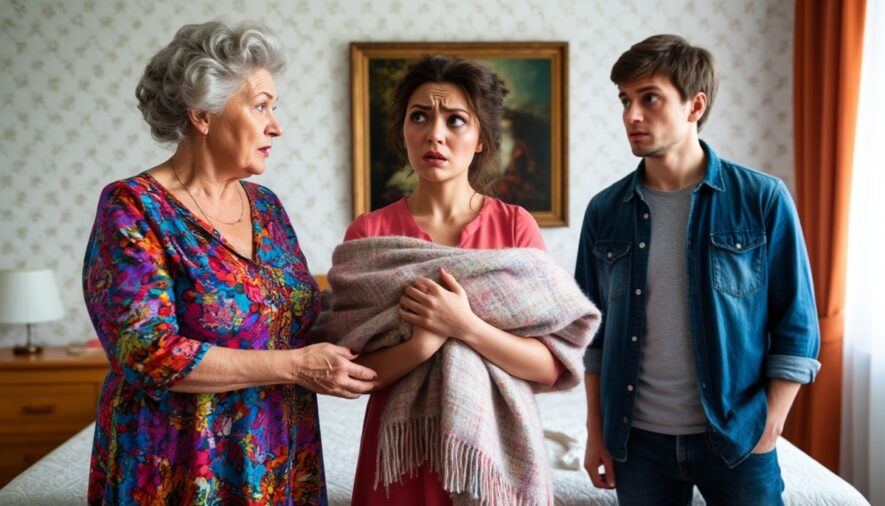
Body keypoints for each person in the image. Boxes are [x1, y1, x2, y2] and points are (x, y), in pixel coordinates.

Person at [82, 21, 376, 505]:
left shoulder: (266, 207)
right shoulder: (134, 206)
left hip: (278, 452)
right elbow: (147, 353)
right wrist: (296, 366)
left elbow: (295, 317)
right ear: (203, 114)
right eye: (260, 106)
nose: (276, 125)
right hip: (180, 461)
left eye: (274, 108)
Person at [311, 55, 597, 505]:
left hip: (493, 458)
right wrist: (421, 345)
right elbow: (352, 370)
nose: (435, 134)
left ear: (481, 139)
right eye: (419, 117)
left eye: (456, 120)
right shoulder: (369, 234)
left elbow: (550, 366)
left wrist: (465, 326)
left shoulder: (515, 226)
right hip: (399, 459)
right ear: (403, 132)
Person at [576, 34, 821, 505]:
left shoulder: (762, 199)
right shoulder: (605, 211)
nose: (631, 115)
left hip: (737, 436)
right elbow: (592, 338)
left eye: (649, 98)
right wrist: (596, 431)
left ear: (695, 105)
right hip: (637, 443)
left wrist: (771, 423)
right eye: (625, 100)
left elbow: (797, 324)